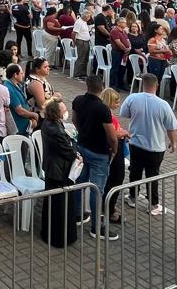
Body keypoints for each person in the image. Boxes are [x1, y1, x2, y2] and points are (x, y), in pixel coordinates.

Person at [119, 73, 177, 214]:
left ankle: (133, 197)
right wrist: (173, 142)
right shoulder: (163, 105)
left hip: (136, 143)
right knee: (153, 176)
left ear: (142, 84)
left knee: (135, 171)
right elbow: (171, 127)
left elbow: (124, 113)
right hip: (155, 147)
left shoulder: (133, 98)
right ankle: (153, 204)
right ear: (156, 86)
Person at [71, 75, 119, 240]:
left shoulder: (78, 100)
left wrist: (83, 132)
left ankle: (77, 214)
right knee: (97, 189)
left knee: (80, 183)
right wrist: (114, 149)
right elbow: (112, 135)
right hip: (99, 152)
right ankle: (96, 227)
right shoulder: (102, 109)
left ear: (87, 85)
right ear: (102, 87)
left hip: (82, 147)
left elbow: (74, 120)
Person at [39, 98, 79, 247]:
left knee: (54, 202)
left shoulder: (49, 123)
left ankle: (50, 233)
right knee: (60, 206)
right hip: (59, 170)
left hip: (53, 168)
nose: (65, 112)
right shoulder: (55, 130)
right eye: (63, 110)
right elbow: (68, 151)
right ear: (57, 113)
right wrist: (75, 149)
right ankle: (59, 237)